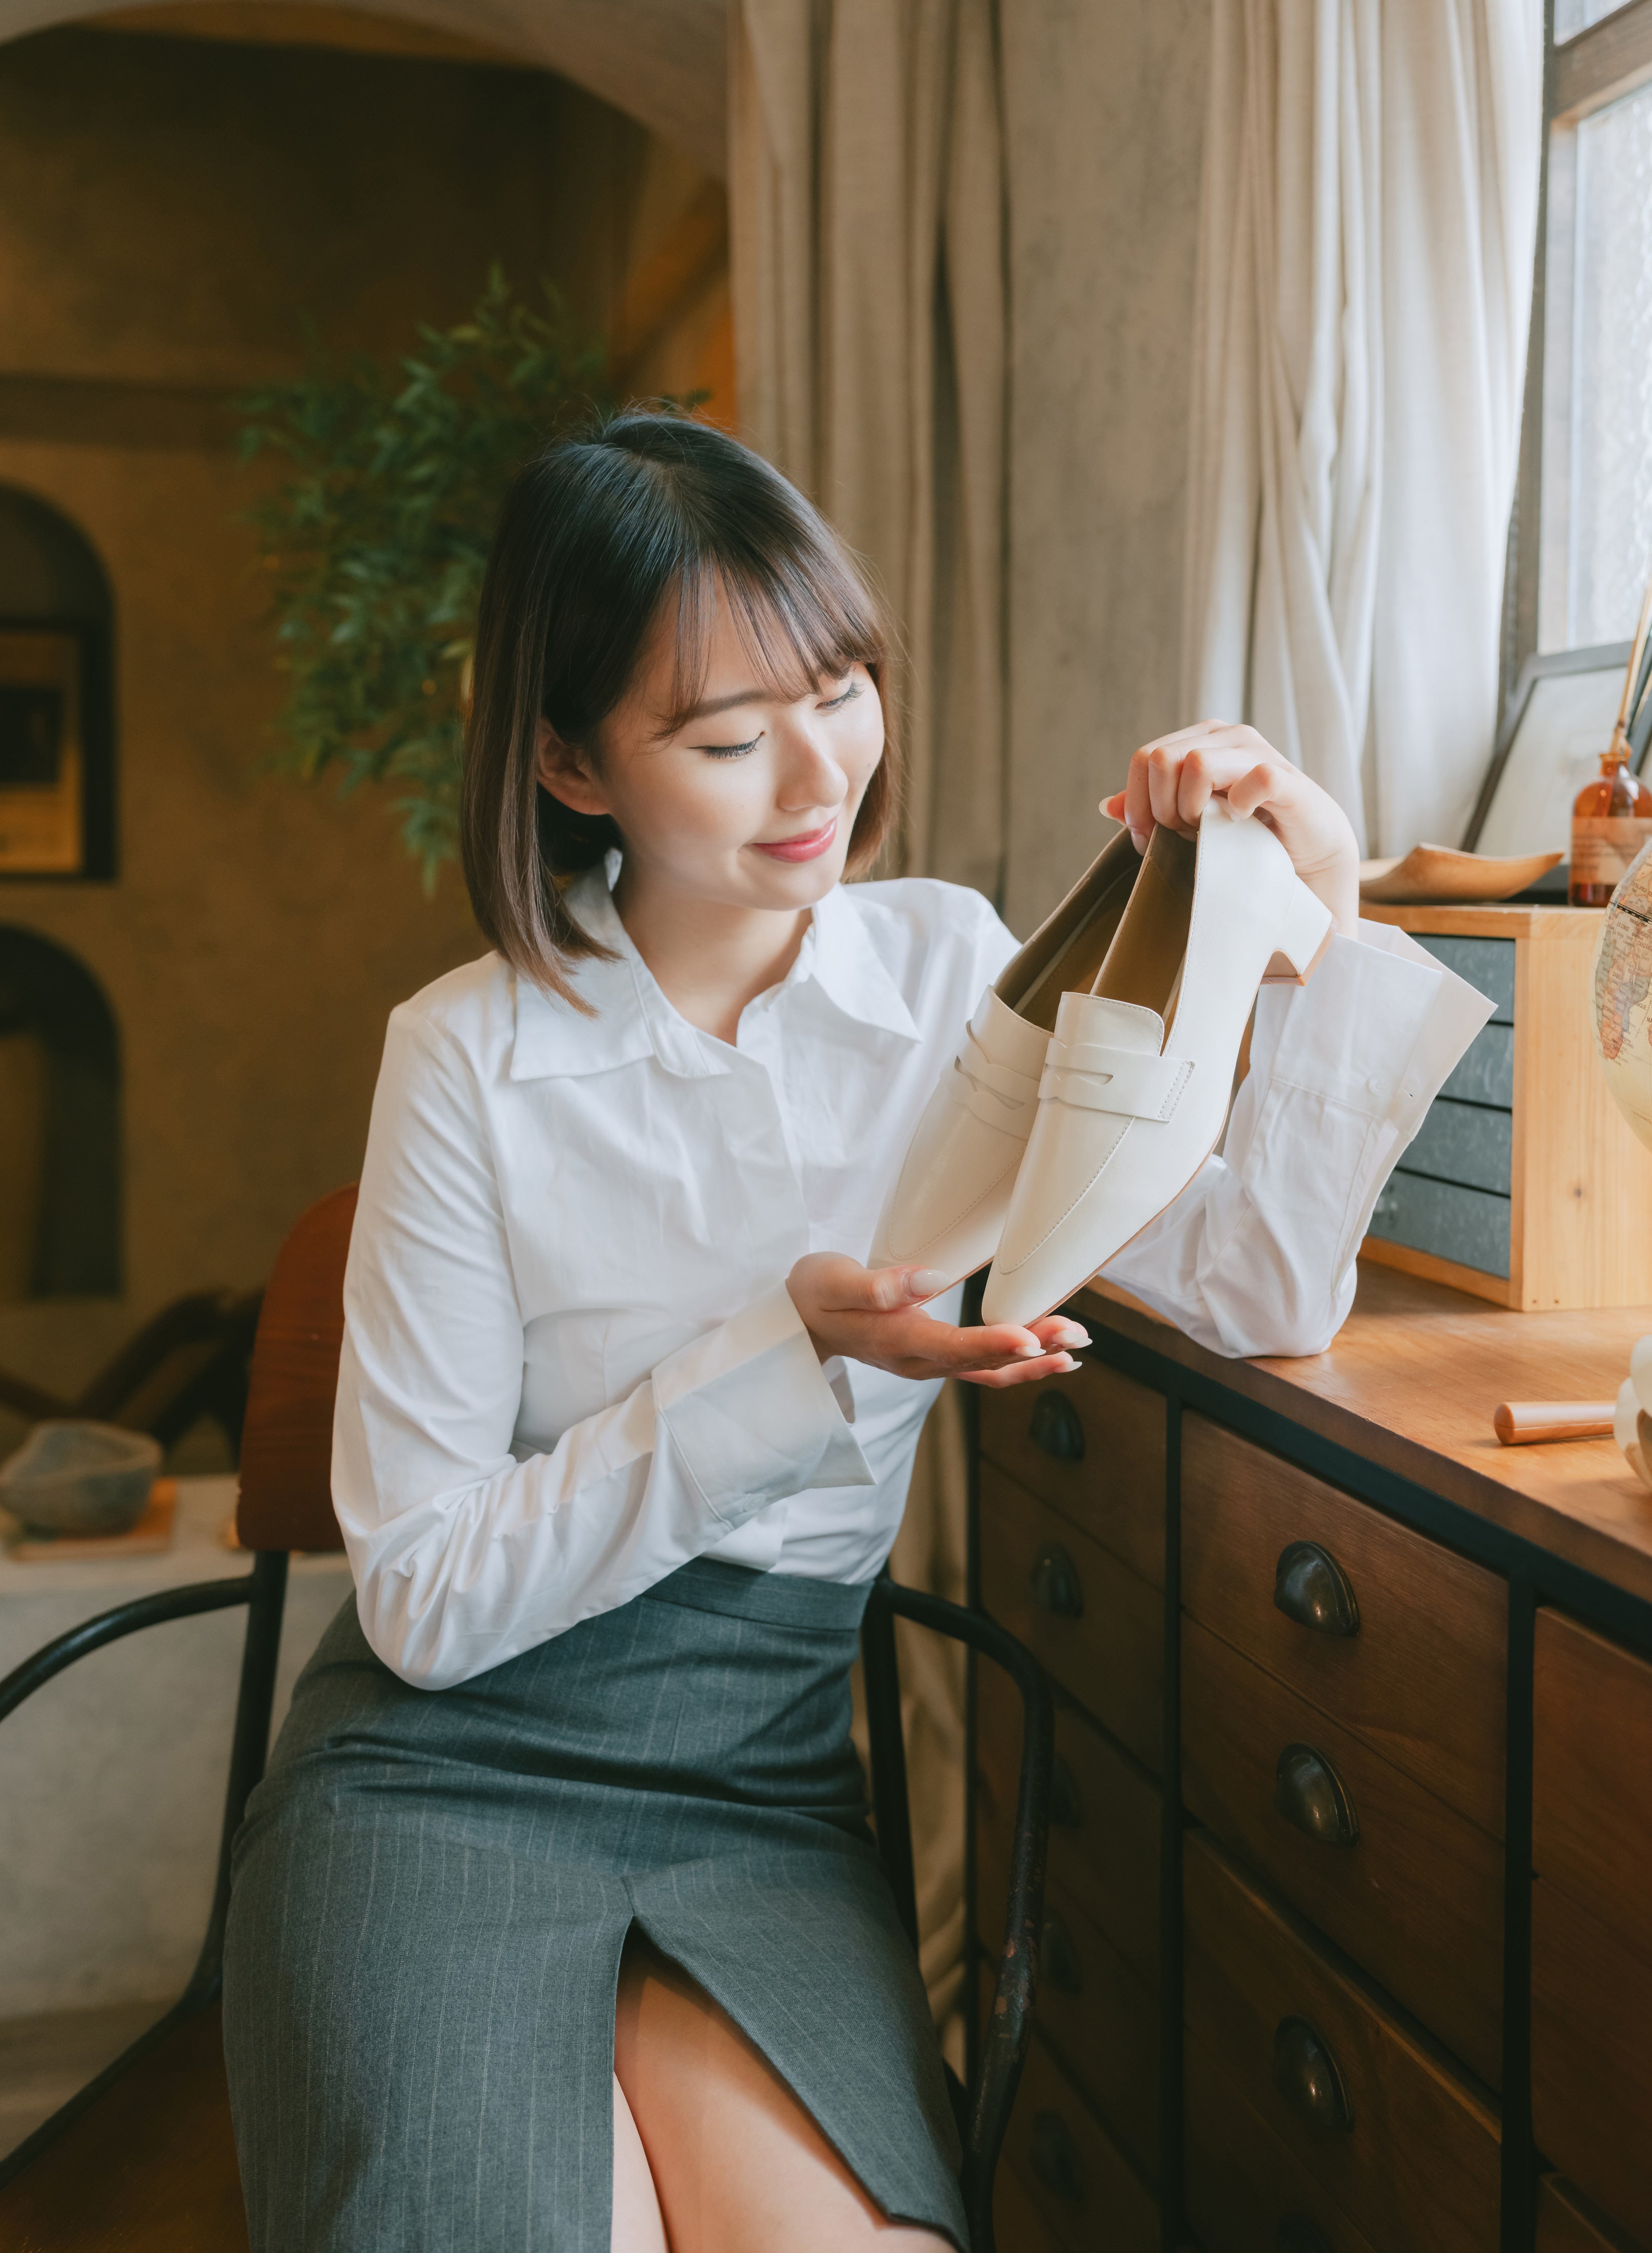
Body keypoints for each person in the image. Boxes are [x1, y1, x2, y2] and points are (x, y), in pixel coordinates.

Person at [222, 412, 1484, 2253]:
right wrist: (780, 1362)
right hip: (443, 1766)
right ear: (571, 761)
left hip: (761, 1771)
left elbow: (1253, 1288)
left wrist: (1330, 890)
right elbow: (414, 1595)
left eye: (842, 688)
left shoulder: (944, 972)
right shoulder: (467, 1057)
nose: (820, 770)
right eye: (728, 738)